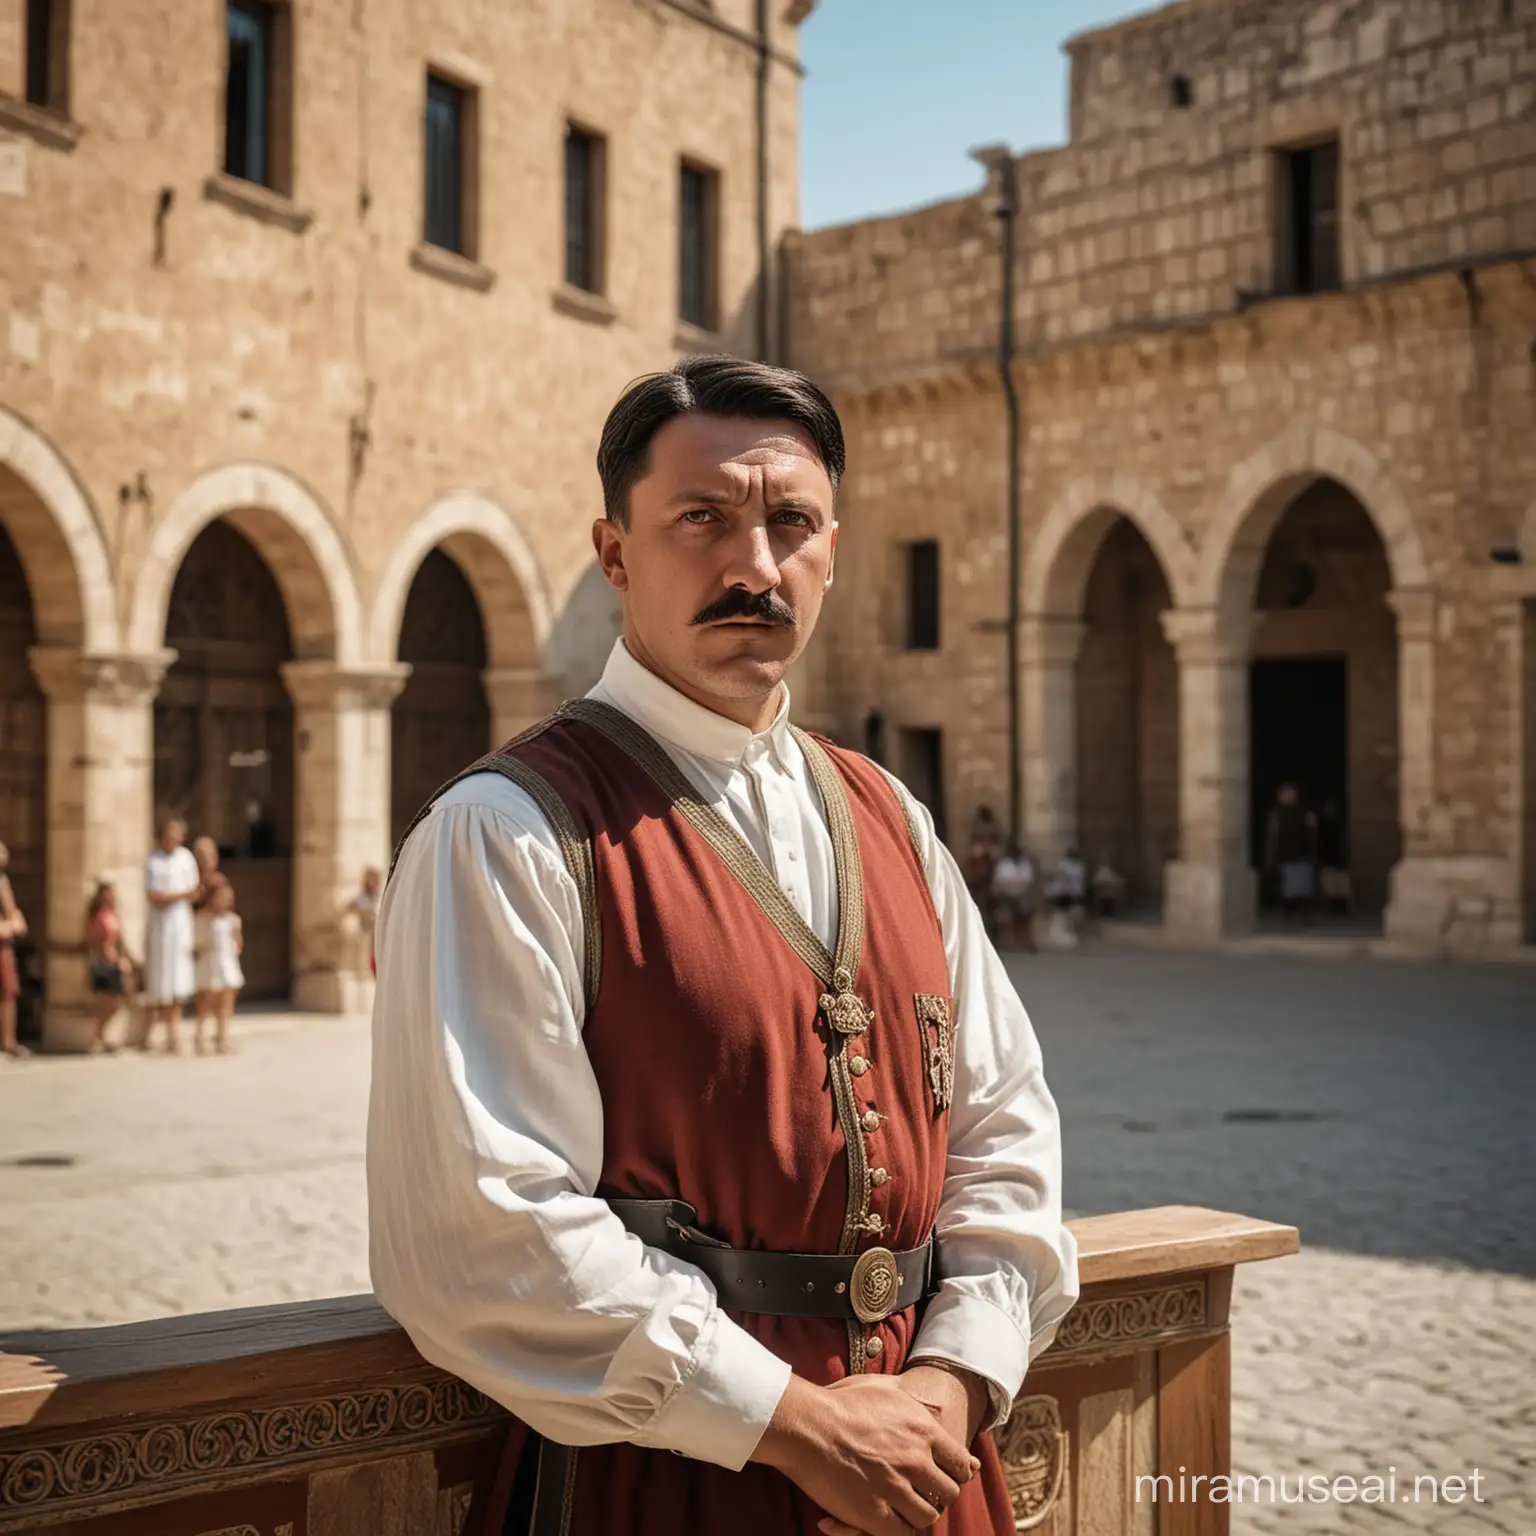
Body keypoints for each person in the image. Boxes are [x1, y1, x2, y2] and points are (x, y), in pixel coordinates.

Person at [370, 357, 1078, 1536]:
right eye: (702, 519)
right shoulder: (505, 833)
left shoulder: (891, 818)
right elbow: (484, 1229)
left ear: (833, 552)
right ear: (614, 554)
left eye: (791, 522)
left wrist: (954, 1383)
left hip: (929, 1469)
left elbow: (1006, 1133)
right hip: (678, 1481)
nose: (755, 565)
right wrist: (795, 1425)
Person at [143, 817, 199, 1053]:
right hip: (160, 923)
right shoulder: (153, 860)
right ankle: (150, 1035)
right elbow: (153, 895)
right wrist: (176, 895)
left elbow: (193, 891)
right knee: (158, 977)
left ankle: (173, 1033)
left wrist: (171, 897)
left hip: (179, 921)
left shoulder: (185, 858)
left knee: (177, 976)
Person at [193, 882, 244, 1054]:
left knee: (226, 1003)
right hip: (209, 962)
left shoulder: (233, 920)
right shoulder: (202, 919)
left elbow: (238, 942)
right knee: (205, 1002)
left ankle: (222, 1036)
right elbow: (196, 944)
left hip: (227, 962)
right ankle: (200, 1037)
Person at [86, 882, 133, 1053]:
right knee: (104, 1002)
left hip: (114, 961)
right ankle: (99, 1038)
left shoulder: (113, 915)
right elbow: (94, 940)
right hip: (102, 961)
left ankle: (101, 1035)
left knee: (116, 1002)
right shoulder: (97, 916)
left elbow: (119, 940)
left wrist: (126, 958)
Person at [1263, 783, 1317, 921]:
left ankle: (1305, 914)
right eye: (1285, 794)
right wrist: (1270, 857)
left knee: (1304, 886)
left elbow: (1310, 834)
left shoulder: (1303, 812)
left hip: (1302, 853)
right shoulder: (1276, 814)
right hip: (1285, 854)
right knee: (1288, 888)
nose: (1288, 796)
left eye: (1290, 793)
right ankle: (1289, 913)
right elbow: (1272, 837)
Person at [0, 843, 29, 1059]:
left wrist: (12, 923)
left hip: (4, 945)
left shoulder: (3, 881)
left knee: (8, 992)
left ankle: (9, 1042)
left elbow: (16, 918)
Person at [990, 841, 1037, 952]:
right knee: (1005, 916)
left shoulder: (1025, 864)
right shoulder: (1004, 864)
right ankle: (1008, 942)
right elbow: (1001, 881)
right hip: (1007, 895)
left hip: (1021, 895)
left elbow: (1027, 881)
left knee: (1025, 915)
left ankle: (1026, 941)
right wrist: (1014, 883)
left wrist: (1014, 883)